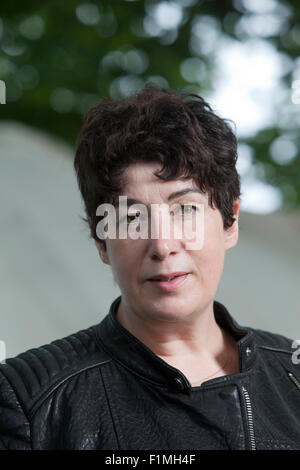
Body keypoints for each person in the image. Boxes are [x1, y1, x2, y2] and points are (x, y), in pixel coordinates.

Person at [1, 84, 300, 451]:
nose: (162, 245)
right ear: (101, 242)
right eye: (132, 218)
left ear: (230, 222)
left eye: (185, 211)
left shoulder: (294, 374)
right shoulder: (28, 401)